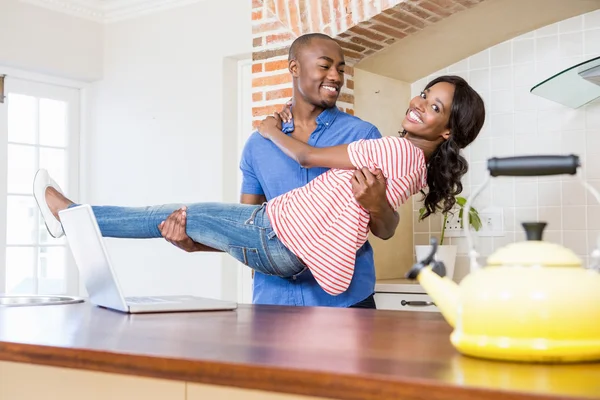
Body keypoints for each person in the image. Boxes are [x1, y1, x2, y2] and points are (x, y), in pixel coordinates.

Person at [33, 74, 485, 297]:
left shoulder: (386, 147)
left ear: (446, 131)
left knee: (163, 213)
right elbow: (245, 231)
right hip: (278, 251)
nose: (419, 104)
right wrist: (196, 243)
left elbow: (306, 158)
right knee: (178, 219)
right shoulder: (416, 168)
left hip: (275, 236)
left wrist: (270, 128)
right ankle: (72, 217)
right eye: (425, 95)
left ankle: (69, 215)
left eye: (435, 108)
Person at [160, 33, 398, 308]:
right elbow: (246, 231)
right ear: (294, 68)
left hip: (345, 303)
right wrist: (194, 245)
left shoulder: (363, 136)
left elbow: (386, 229)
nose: (336, 76)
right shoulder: (258, 145)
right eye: (325, 66)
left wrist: (376, 202)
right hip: (274, 304)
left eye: (341, 69)